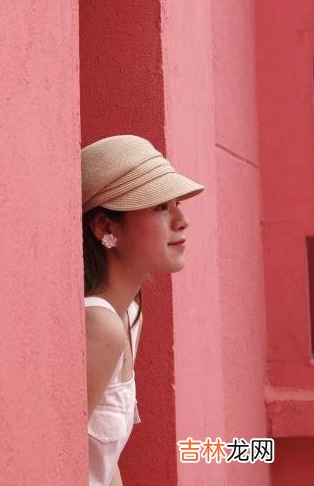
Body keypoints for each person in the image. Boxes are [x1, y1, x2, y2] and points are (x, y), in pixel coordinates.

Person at [81, 135, 205, 486]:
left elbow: (104, 463)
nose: (182, 220)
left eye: (176, 203)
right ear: (106, 227)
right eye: (160, 206)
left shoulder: (129, 316)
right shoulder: (99, 325)